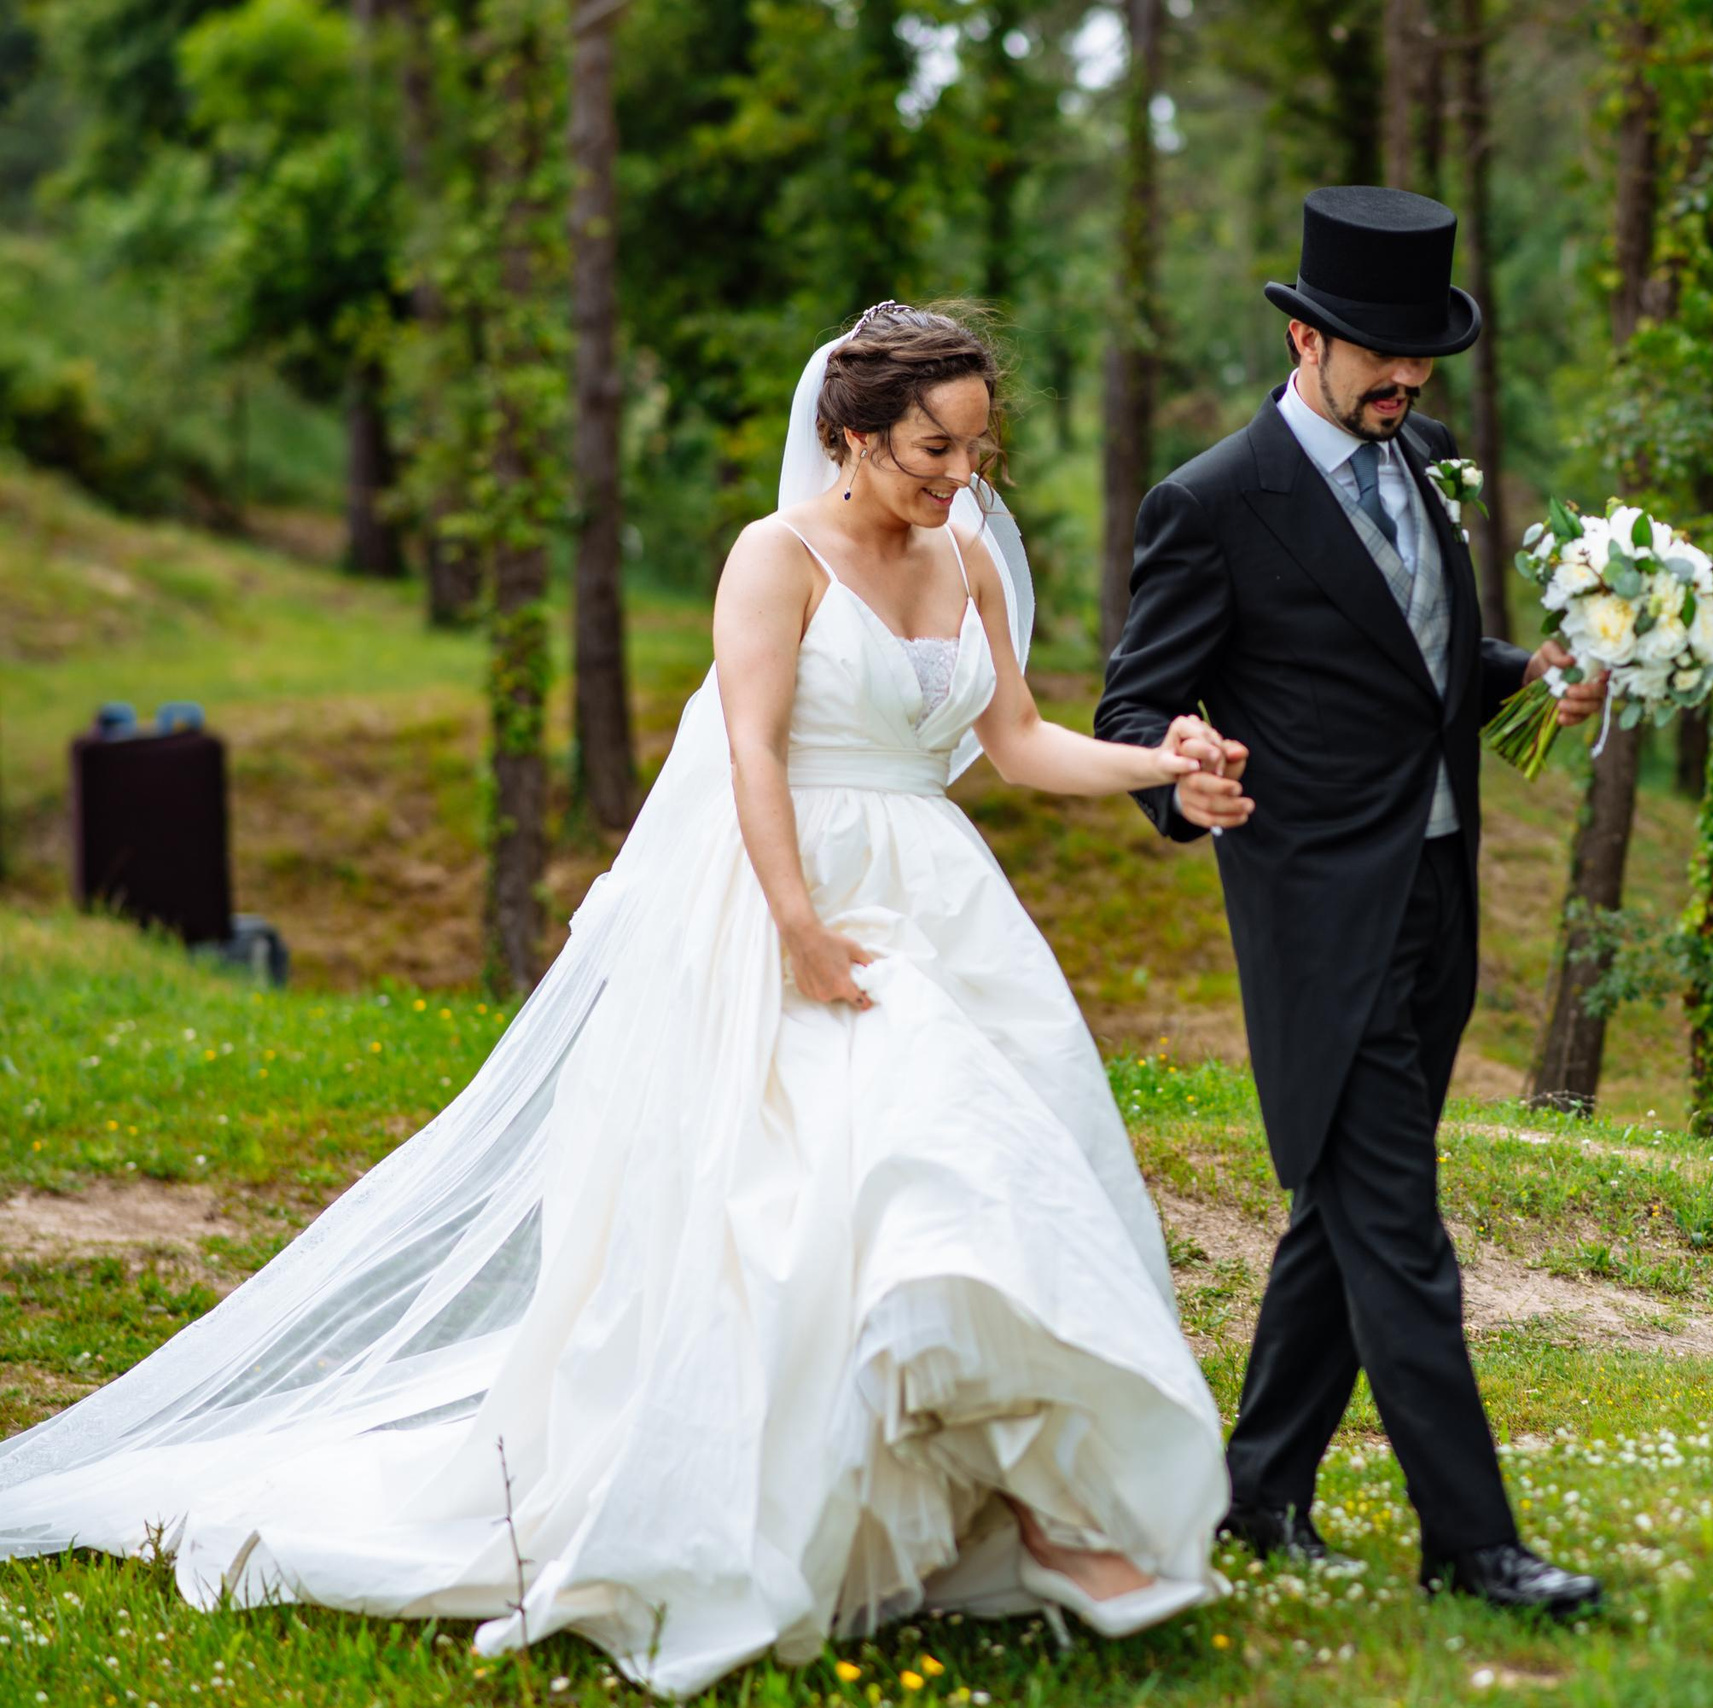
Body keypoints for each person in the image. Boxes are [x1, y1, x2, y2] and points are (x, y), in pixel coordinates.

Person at [0, 303, 1230, 1699]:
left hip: (940, 904)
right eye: (930, 448)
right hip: (793, 894)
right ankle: (849, 1515)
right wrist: (796, 925)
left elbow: (1014, 742)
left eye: (974, 448)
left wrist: (1158, 767)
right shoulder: (775, 558)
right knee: (834, 1193)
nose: (958, 475)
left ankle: (1004, 1507)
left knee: (972, 1174)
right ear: (849, 433)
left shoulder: (969, 559)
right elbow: (753, 752)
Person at [1095, 186, 1609, 1617]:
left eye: (1421, 356)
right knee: (1397, 1227)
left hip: (1438, 896)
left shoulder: (1424, 458)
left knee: (1344, 1204)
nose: (1405, 381)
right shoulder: (1212, 502)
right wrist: (1181, 774)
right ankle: (1475, 1546)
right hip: (1320, 918)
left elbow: (1417, 653)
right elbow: (1136, 704)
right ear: (1306, 339)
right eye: (1380, 353)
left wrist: (1524, 677)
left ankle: (1260, 1492)